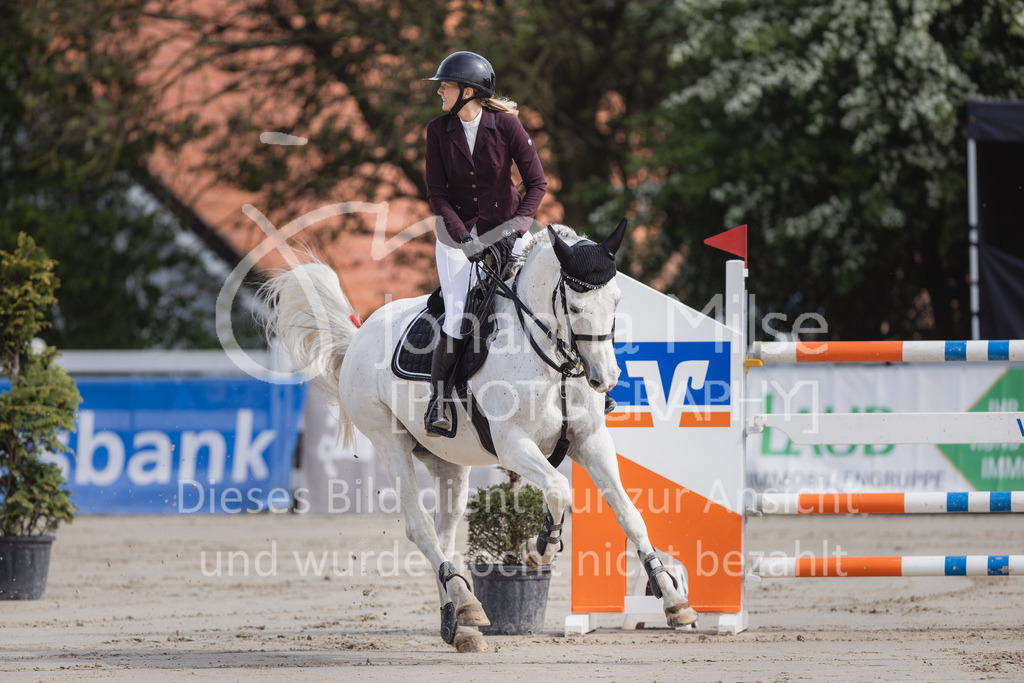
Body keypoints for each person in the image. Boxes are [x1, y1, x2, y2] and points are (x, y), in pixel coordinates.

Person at [422, 51, 547, 434]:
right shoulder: (437, 132)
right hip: (457, 236)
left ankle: (583, 384)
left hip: (509, 228)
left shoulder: (506, 126)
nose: (440, 91)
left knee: (546, 289)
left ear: (468, 91)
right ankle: (439, 402)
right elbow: (438, 195)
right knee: (459, 314)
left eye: (446, 85)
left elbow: (537, 184)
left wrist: (516, 229)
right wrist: (464, 238)